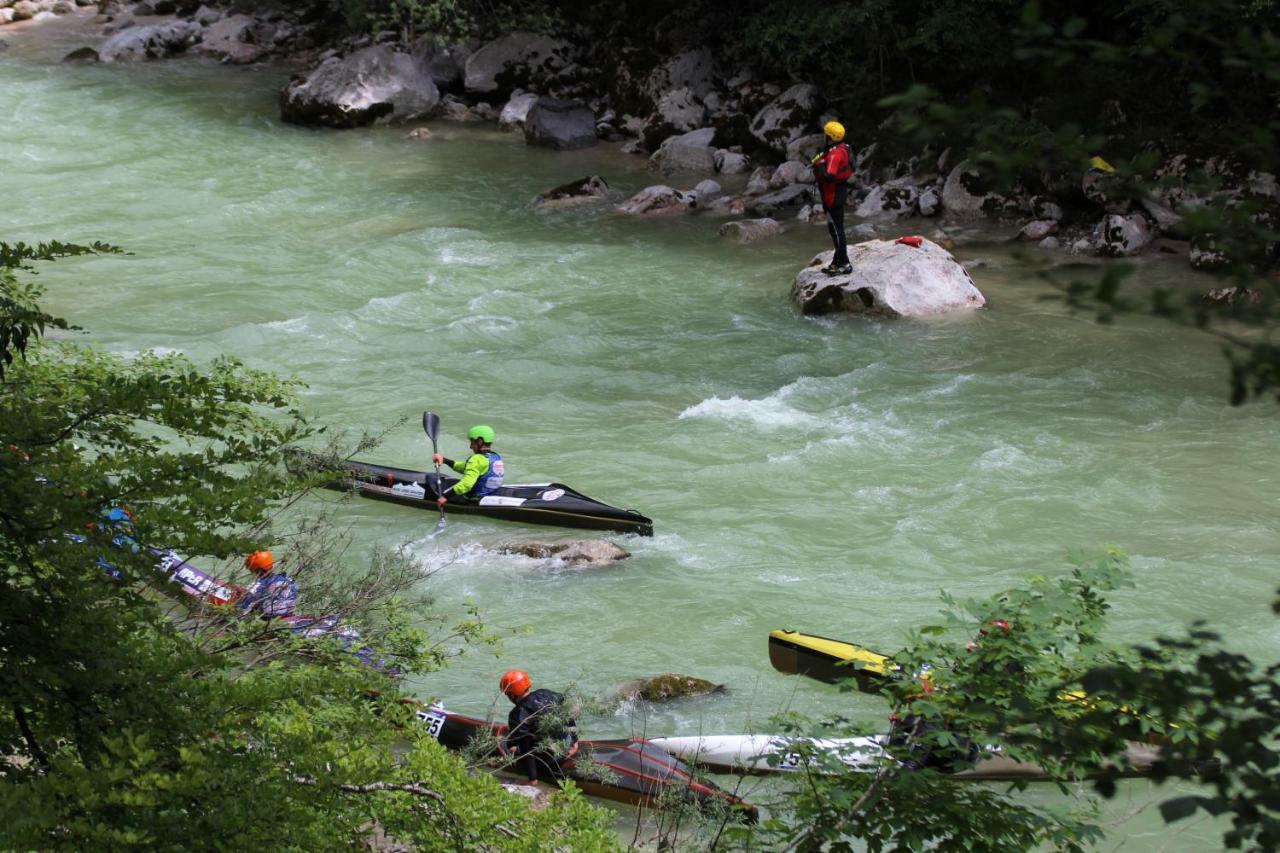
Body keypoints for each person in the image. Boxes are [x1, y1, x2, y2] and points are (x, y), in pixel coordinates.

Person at [500, 669, 578, 785]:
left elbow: (527, 748)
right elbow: (567, 712)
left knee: (508, 745)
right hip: (567, 744)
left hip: (551, 759)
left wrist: (533, 780)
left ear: (512, 694)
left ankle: (534, 777)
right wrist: (574, 742)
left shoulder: (517, 714)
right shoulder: (545, 693)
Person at [811, 120, 855, 275]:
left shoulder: (835, 154)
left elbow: (829, 176)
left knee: (837, 231)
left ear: (829, 137)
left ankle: (844, 264)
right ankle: (838, 260)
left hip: (833, 196)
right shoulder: (842, 148)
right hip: (836, 193)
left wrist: (820, 165)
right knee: (835, 229)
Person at [431, 424, 504, 507]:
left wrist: (445, 497)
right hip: (489, 495)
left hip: (472, 500)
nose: (470, 446)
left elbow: (467, 484)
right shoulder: (496, 457)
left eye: (472, 442)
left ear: (480, 442)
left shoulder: (477, 459)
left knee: (436, 491)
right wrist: (445, 460)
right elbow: (467, 468)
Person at [238, 549, 297, 618]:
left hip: (268, 619)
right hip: (288, 615)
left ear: (258, 570)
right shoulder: (288, 580)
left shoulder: (257, 586)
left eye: (252, 571)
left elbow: (245, 607)